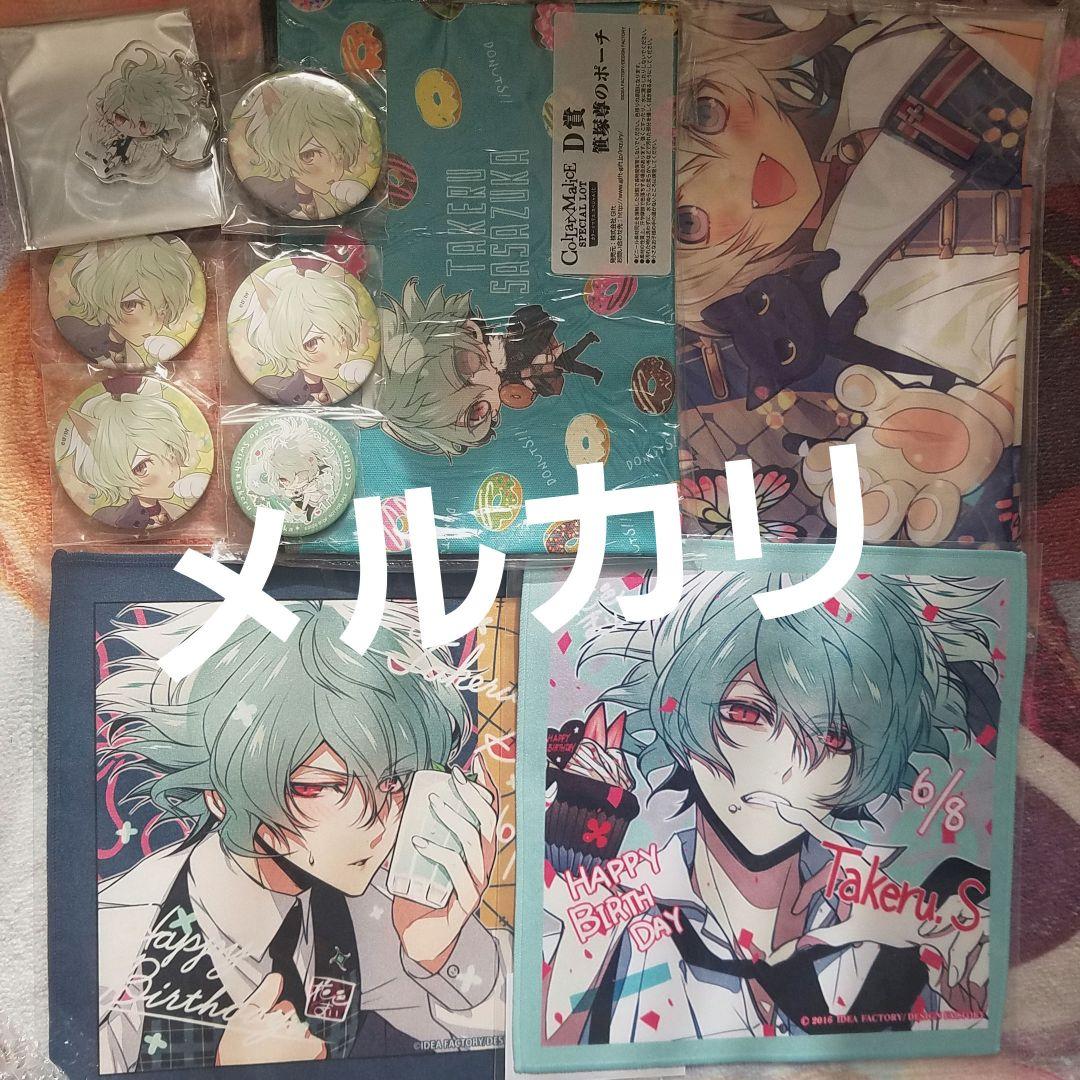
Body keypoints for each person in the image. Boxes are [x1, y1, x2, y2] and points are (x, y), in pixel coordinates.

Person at [543, 570, 999, 1043]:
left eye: (832, 737)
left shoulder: (899, 923)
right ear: (681, 709)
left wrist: (970, 1002)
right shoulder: (620, 907)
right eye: (746, 713)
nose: (785, 767)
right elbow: (543, 1053)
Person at [96, 601, 505, 1071]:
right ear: (220, 792)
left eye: (392, 781)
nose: (375, 822)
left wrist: (440, 953)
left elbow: (507, 1043)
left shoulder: (372, 912)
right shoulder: (120, 938)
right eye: (321, 787)